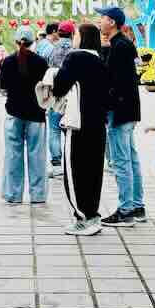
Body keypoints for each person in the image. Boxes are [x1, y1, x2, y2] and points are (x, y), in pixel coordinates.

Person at [52, 23, 110, 235]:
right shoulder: (101, 60)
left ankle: (83, 218)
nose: (74, 38)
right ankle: (93, 215)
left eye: (76, 34)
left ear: (83, 37)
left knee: (75, 172)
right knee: (93, 172)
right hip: (98, 125)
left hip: (78, 126)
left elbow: (59, 86)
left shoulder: (75, 58)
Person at [97, 6, 144, 227]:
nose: (100, 21)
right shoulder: (123, 44)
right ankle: (137, 205)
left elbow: (116, 84)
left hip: (120, 111)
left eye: (103, 18)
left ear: (113, 22)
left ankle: (126, 210)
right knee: (131, 158)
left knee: (121, 161)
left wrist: (106, 108)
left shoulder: (119, 47)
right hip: (129, 110)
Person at [0, 26, 49, 205]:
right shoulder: (41, 62)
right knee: (37, 156)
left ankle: (13, 194)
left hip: (14, 113)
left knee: (13, 155)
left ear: (15, 41)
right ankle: (38, 195)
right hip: (36, 115)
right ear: (33, 42)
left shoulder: (8, 61)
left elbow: (3, 88)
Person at [39, 21, 75, 174]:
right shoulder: (75, 51)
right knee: (71, 129)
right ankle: (71, 162)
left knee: (54, 129)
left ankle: (56, 164)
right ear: (72, 33)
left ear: (58, 33)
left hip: (55, 96)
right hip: (72, 96)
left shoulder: (50, 50)